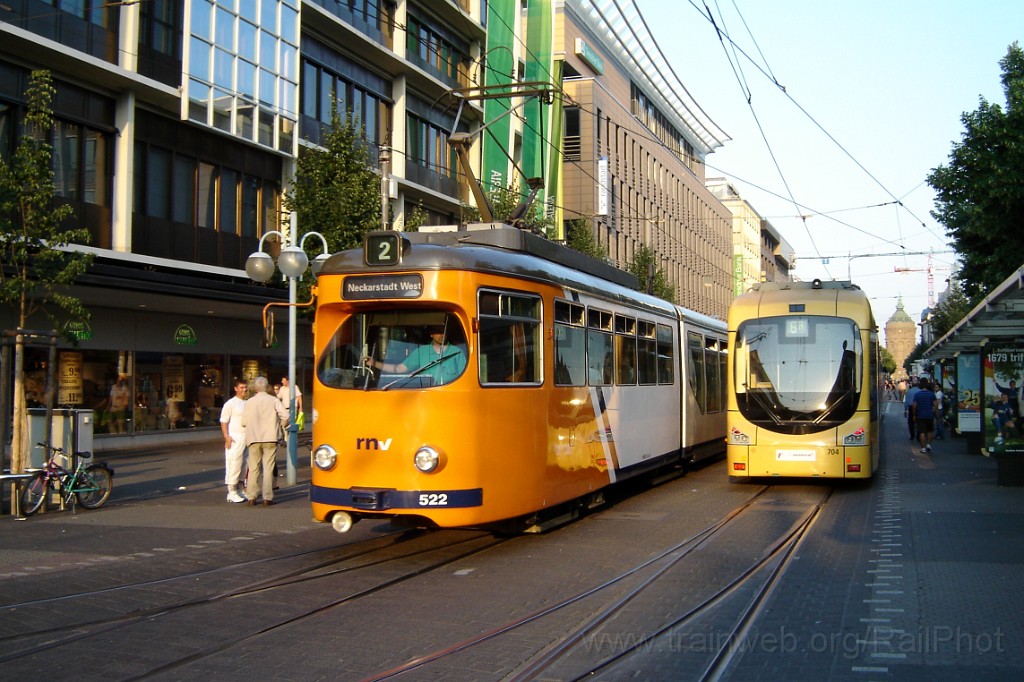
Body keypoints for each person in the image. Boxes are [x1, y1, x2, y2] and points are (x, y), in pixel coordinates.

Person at [365, 325, 467, 385]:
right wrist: (374, 363)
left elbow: (465, 380)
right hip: (425, 396)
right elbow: (400, 368)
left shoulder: (457, 352)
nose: (441, 334)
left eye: (443, 331)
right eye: (437, 331)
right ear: (431, 334)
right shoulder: (421, 352)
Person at [242, 376, 288, 506]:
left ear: (255, 388)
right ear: (267, 387)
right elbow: (286, 416)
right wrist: (280, 426)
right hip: (270, 437)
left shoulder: (249, 402)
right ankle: (267, 497)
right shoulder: (273, 400)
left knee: (253, 467)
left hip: (253, 438)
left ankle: (251, 496)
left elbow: (243, 422)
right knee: (268, 467)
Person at [219, 379, 248, 503]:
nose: (244, 390)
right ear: (236, 388)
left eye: (245, 387)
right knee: (234, 463)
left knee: (245, 465)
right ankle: (231, 491)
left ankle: (239, 488)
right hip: (235, 437)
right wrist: (227, 437)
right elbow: (223, 421)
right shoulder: (230, 404)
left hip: (247, 437)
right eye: (241, 387)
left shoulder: (247, 403)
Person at [912, 379, 939, 454]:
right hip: (930, 415)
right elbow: (935, 405)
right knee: (929, 431)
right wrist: (937, 415)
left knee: (922, 432)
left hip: (920, 415)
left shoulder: (917, 394)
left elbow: (914, 406)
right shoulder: (931, 394)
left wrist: (914, 415)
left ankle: (923, 448)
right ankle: (929, 445)